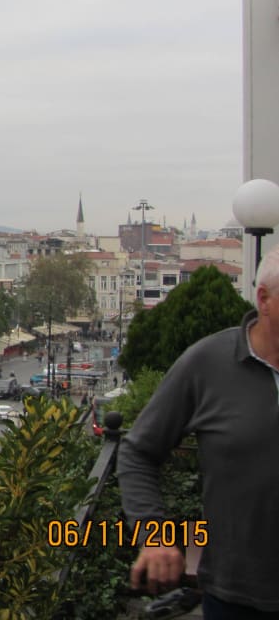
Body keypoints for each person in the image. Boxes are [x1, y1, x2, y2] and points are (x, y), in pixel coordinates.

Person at [118, 245, 279, 615]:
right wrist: (155, 536)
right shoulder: (208, 363)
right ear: (264, 299)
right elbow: (138, 452)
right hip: (239, 597)